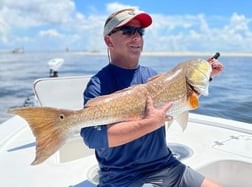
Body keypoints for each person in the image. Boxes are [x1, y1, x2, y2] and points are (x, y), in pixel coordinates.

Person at [81, 8, 224, 187]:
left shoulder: (152, 75)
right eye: (127, 31)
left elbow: (179, 100)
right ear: (108, 40)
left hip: (167, 165)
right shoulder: (99, 84)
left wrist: (205, 76)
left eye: (140, 32)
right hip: (124, 177)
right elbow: (91, 136)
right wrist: (148, 124)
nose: (136, 37)